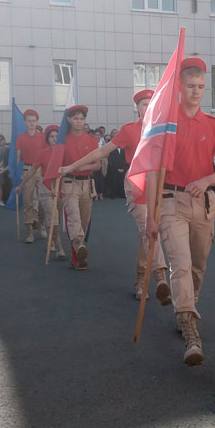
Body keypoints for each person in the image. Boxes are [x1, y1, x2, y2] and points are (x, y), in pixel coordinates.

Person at [144, 57, 215, 366]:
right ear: (179, 87)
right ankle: (190, 330)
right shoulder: (166, 124)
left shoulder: (214, 125)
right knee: (179, 264)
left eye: (201, 87)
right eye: (191, 86)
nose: (196, 92)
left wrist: (206, 180)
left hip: (204, 204)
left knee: (197, 266)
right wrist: (151, 218)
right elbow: (153, 172)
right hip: (171, 202)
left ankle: (186, 307)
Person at [59, 90, 170, 302]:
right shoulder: (129, 130)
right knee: (148, 230)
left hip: (160, 183)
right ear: (136, 107)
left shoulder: (164, 130)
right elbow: (101, 153)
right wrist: (72, 166)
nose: (148, 108)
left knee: (145, 235)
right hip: (136, 181)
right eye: (144, 104)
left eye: (152, 104)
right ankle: (160, 275)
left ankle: (140, 281)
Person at [59, 105, 101, 270]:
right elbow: (57, 163)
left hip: (87, 183)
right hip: (69, 183)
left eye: (81, 119)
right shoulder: (62, 140)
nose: (78, 121)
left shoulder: (92, 140)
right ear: (69, 119)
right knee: (74, 217)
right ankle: (78, 246)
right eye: (75, 118)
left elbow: (97, 164)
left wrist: (82, 167)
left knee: (84, 221)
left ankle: (78, 256)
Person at [21, 125, 66, 261]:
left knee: (57, 215)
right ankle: (59, 247)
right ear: (47, 138)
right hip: (46, 187)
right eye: (52, 136)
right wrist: (22, 184)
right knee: (52, 216)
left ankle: (49, 236)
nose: (54, 138)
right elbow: (33, 170)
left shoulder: (63, 152)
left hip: (61, 187)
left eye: (57, 136)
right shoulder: (42, 153)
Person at [15, 110, 46, 243]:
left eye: (34, 121)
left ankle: (41, 224)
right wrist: (18, 174)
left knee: (43, 201)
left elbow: (48, 153)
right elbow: (17, 157)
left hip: (42, 170)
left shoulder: (43, 136)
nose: (31, 123)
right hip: (27, 170)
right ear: (25, 122)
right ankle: (29, 232)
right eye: (29, 121)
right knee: (27, 201)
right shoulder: (21, 137)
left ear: (37, 121)